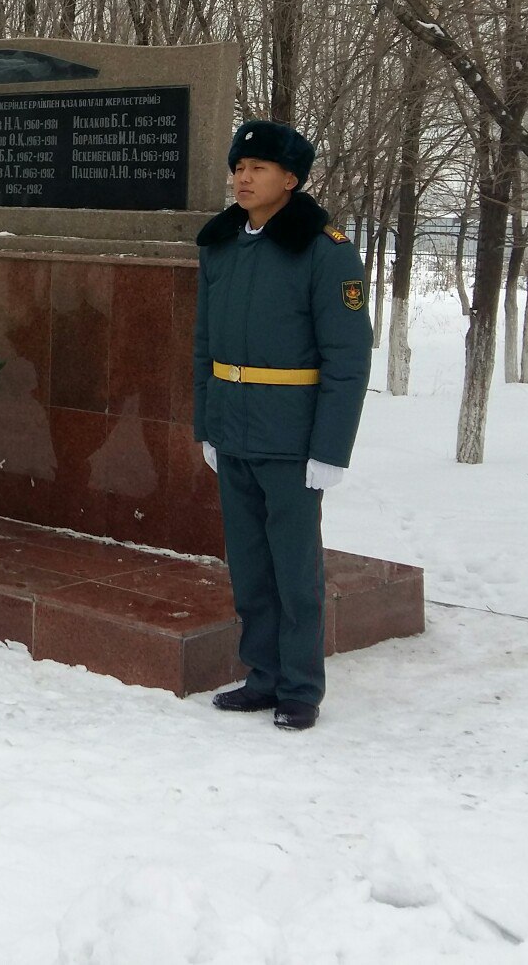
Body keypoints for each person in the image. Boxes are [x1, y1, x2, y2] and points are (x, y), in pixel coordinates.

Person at [193, 120, 371, 730]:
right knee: (248, 562)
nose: (242, 177)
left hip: (292, 437)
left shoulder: (324, 249)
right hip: (234, 429)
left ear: (290, 180)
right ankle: (261, 675)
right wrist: (207, 425)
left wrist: (331, 448)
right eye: (239, 167)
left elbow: (347, 357)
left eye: (259, 168)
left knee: (295, 569)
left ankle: (299, 686)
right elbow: (204, 346)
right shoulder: (219, 244)